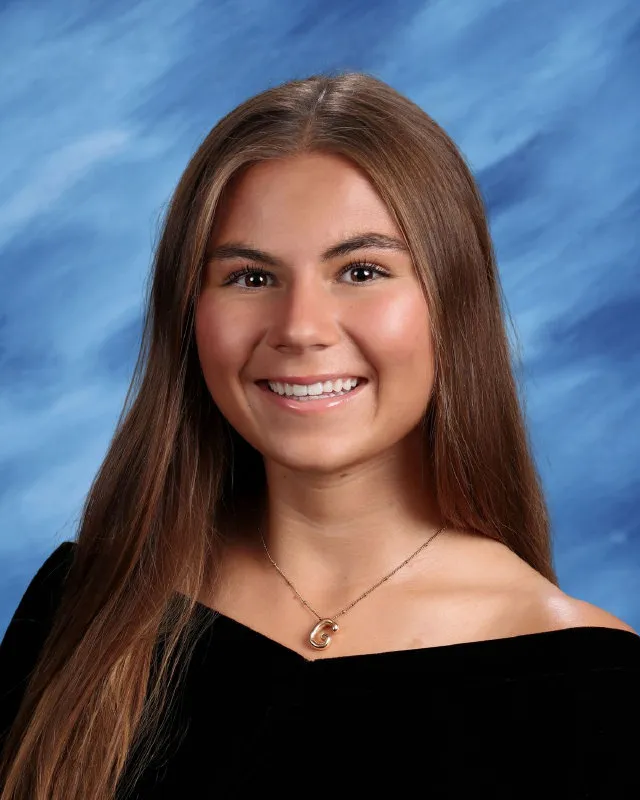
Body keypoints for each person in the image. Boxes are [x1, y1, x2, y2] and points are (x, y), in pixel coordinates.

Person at [0, 70, 638, 799]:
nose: (301, 328)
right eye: (249, 278)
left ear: (452, 302)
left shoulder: (590, 683)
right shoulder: (81, 609)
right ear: (189, 312)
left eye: (361, 270)